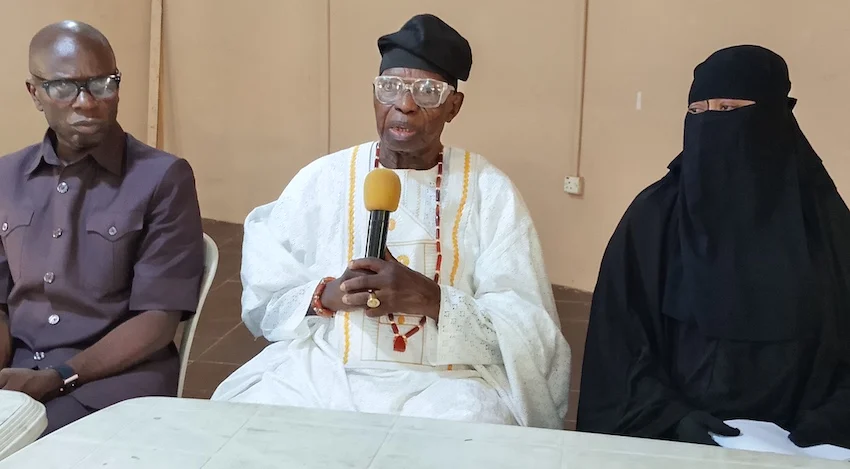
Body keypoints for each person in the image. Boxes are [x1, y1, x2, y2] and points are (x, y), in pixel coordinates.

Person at [212, 13, 571, 428]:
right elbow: (266, 294)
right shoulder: (325, 177)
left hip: (447, 382)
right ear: (374, 95)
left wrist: (432, 299)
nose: (405, 105)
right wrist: (328, 294)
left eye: (428, 92)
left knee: (474, 430)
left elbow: (529, 328)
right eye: (391, 88)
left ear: (453, 107)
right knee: (247, 421)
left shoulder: (488, 190)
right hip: (329, 369)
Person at [576, 45, 850, 448]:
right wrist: (671, 418)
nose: (709, 123)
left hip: (801, 446)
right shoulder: (654, 218)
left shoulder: (826, 225)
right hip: (677, 441)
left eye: (726, 109)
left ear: (774, 117)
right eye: (697, 111)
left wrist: (824, 425)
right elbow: (618, 346)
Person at [0, 21, 204, 434]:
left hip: (113, 384)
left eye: (102, 84)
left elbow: (158, 318)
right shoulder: (6, 177)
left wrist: (60, 376)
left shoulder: (162, 178)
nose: (87, 102)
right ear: (34, 93)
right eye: (63, 87)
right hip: (20, 373)